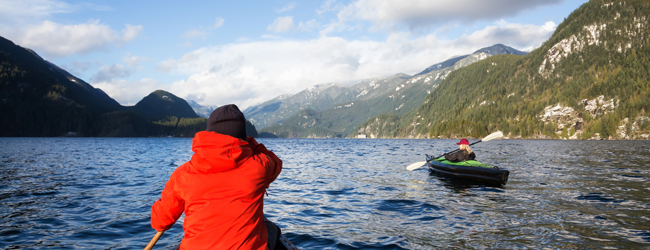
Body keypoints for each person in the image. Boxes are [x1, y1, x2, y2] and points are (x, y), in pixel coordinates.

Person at [150, 104, 283, 250]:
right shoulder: (260, 167)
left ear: (208, 133)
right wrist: (248, 142)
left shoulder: (183, 175)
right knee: (271, 228)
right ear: (242, 136)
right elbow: (274, 160)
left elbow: (159, 222)